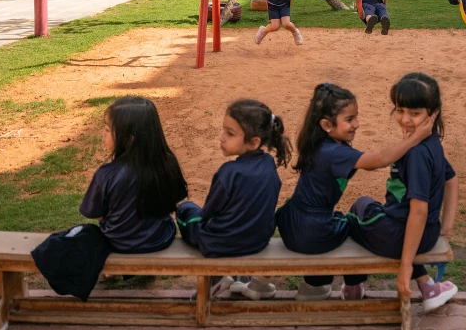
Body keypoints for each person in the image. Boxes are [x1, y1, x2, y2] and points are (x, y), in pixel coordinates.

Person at [276, 83, 437, 301]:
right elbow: (378, 161)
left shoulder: (319, 144)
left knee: (348, 220)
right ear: (326, 124)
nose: (357, 124)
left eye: (356, 117)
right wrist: (415, 138)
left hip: (291, 224)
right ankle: (352, 285)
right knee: (358, 225)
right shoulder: (334, 152)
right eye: (350, 119)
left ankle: (314, 286)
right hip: (314, 232)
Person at [347, 73, 459, 313]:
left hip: (396, 234)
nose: (405, 119)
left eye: (415, 113)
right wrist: (445, 227)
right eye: (400, 110)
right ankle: (428, 287)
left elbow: (419, 211)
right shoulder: (431, 143)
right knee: (370, 211)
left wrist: (406, 265)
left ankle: (353, 286)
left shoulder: (417, 153)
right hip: (427, 235)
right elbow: (452, 178)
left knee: (354, 213)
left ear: (434, 112)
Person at [176, 99, 290, 300]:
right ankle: (234, 278)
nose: (221, 138)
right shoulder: (269, 164)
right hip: (258, 241)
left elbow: (207, 212)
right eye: (223, 130)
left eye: (230, 134)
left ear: (254, 142)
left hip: (220, 243)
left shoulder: (229, 172)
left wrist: (188, 209)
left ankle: (217, 280)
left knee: (186, 211)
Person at [80, 96, 189, 254]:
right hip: (159, 240)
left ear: (129, 140)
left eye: (108, 130)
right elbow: (176, 198)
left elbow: (96, 214)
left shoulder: (106, 174)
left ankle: (113, 270)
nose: (103, 134)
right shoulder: (167, 163)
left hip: (117, 244)